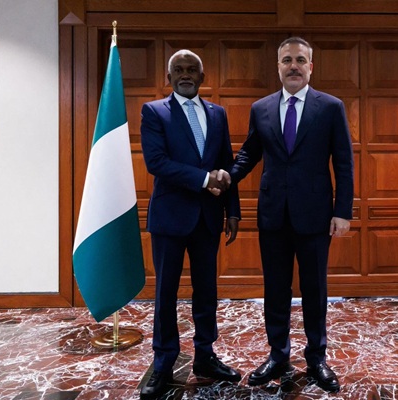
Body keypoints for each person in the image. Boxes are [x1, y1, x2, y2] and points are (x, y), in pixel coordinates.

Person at [230, 37, 354, 393]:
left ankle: (316, 358)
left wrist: (342, 211)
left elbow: (344, 163)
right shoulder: (261, 108)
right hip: (273, 215)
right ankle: (278, 355)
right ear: (278, 67)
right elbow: (250, 153)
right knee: (275, 289)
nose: (294, 66)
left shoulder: (330, 107)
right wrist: (225, 177)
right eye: (287, 60)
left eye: (300, 60)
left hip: (315, 216)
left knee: (315, 289)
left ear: (311, 67)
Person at [139, 49, 241, 398]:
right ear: (168, 78)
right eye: (178, 70)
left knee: (206, 290)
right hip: (170, 218)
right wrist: (204, 179)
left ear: (202, 77)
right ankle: (163, 362)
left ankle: (205, 356)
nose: (185, 74)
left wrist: (232, 211)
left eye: (192, 70)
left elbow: (227, 163)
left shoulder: (218, 113)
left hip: (208, 218)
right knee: (165, 293)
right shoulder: (154, 111)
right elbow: (156, 162)